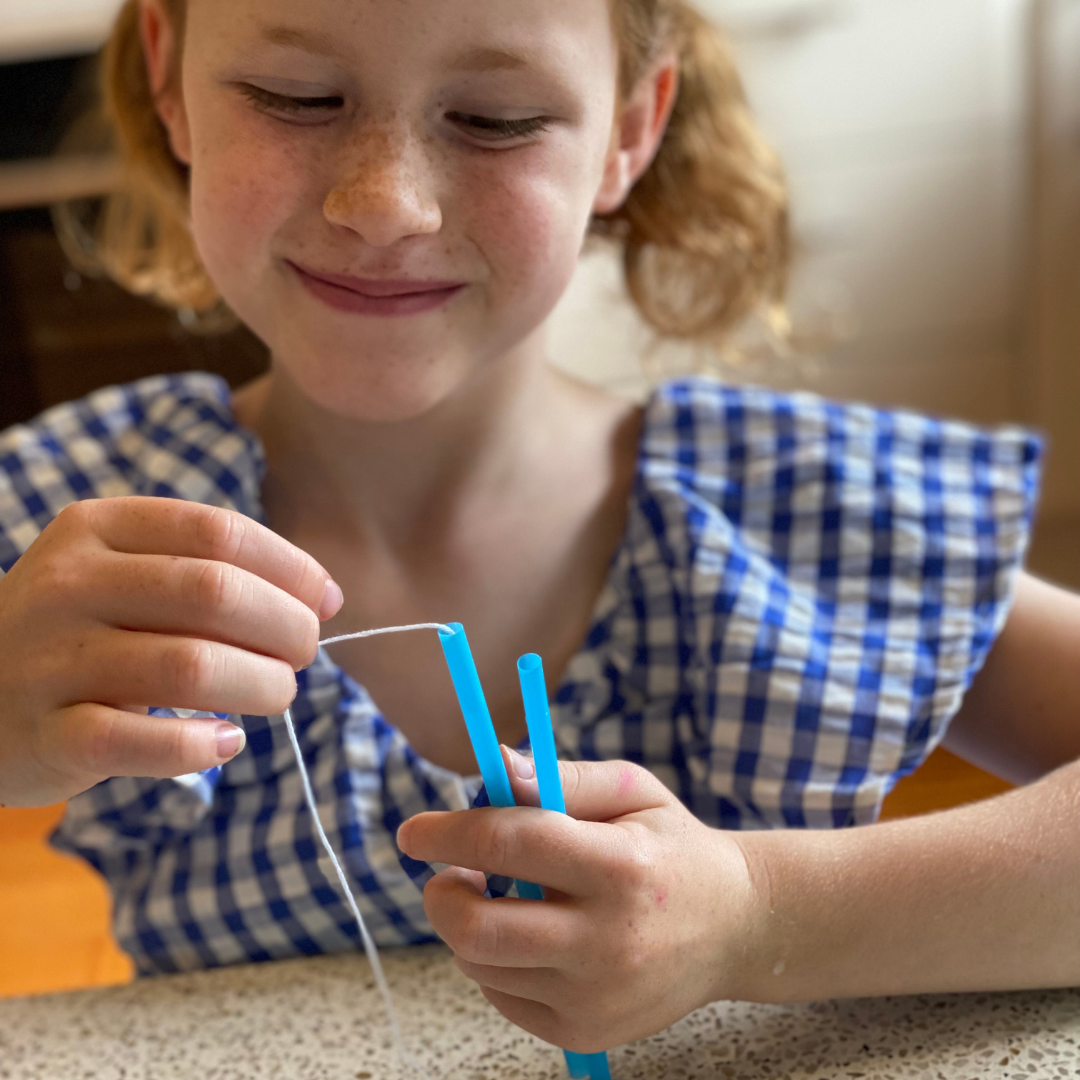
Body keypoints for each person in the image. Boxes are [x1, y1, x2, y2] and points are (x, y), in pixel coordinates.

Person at [0, 0, 1077, 1056]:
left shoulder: (809, 516)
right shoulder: (70, 530)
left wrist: (762, 912)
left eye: (497, 118)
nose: (386, 203)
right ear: (167, 76)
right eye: (297, 97)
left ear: (632, 128)